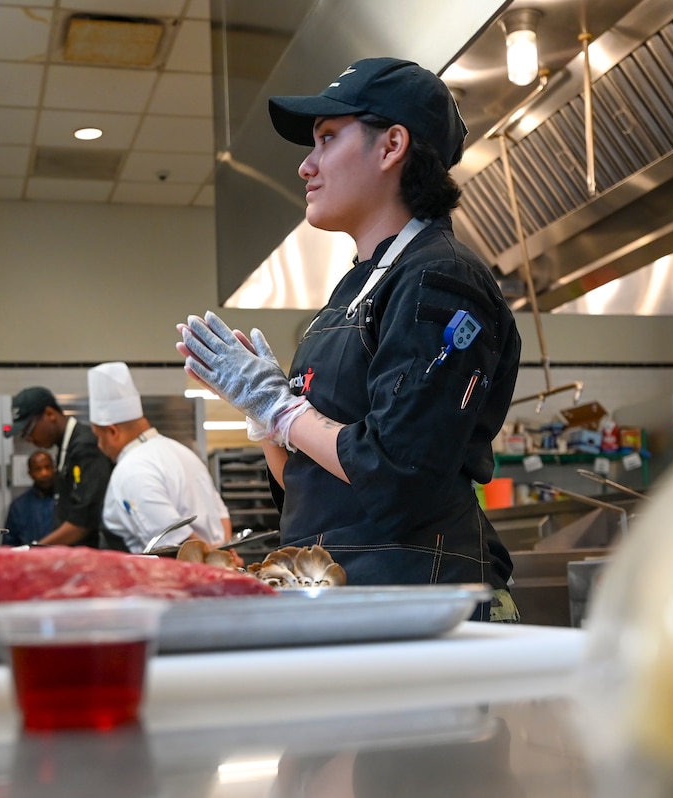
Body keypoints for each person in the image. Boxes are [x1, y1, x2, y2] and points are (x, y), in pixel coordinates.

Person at [177, 57, 521, 621]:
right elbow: (314, 482)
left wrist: (283, 409)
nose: (306, 166)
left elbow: (398, 474)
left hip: (420, 604)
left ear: (391, 147)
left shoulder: (441, 280)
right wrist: (264, 421)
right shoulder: (353, 290)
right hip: (348, 594)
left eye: (328, 139)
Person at [87, 362, 232, 553]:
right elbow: (221, 515)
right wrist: (225, 554)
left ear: (113, 432)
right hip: (212, 571)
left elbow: (172, 540)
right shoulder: (183, 452)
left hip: (175, 578)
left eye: (99, 437)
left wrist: (213, 559)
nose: (99, 445)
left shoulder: (131, 469)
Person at [3, 386, 112, 547]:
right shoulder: (66, 448)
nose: (29, 439)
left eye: (29, 430)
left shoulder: (85, 446)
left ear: (50, 414)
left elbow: (84, 520)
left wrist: (34, 550)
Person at [2, 450, 57, 547]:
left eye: (47, 467)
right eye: (38, 469)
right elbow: (9, 544)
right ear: (30, 473)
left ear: (54, 469)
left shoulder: (66, 500)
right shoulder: (19, 506)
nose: (44, 473)